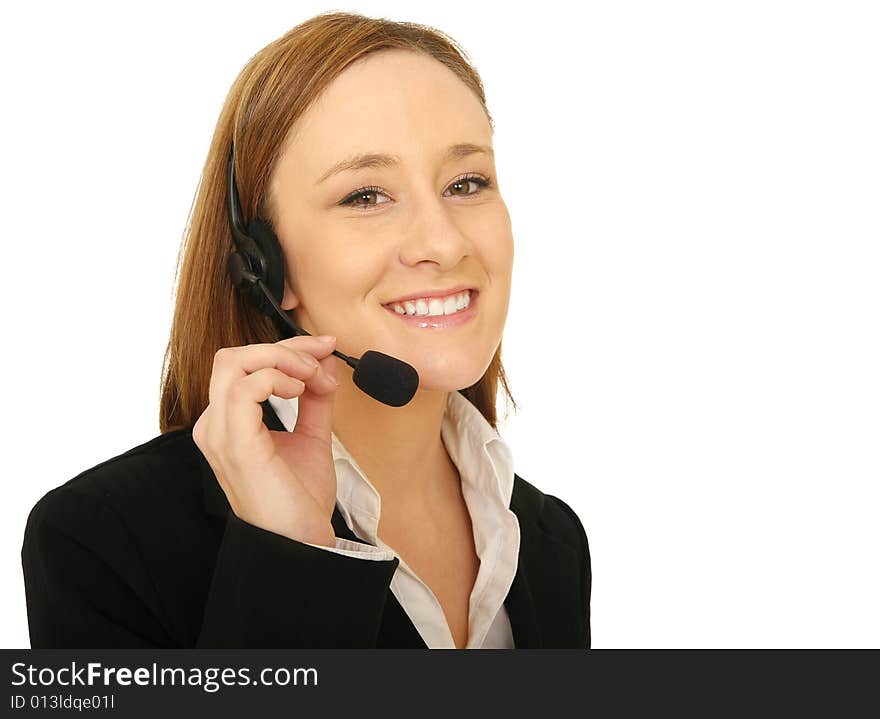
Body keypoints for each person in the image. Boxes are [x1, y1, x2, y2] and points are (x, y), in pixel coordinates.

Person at [21, 11, 591, 649]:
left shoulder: (551, 542)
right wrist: (286, 559)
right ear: (263, 263)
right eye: (365, 196)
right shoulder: (105, 544)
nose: (443, 241)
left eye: (466, 183)